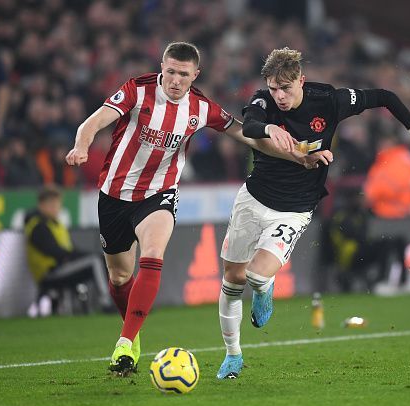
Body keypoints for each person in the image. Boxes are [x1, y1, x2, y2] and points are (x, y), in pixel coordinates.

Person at [65, 42, 321, 376]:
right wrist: (80, 147)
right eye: (170, 71)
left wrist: (297, 156)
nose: (174, 80)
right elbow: (93, 123)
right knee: (119, 277)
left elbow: (246, 136)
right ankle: (133, 331)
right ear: (162, 67)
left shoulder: (200, 107)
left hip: (159, 195)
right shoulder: (136, 91)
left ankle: (125, 344)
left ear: (194, 75)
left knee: (153, 254)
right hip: (113, 195)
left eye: (183, 74)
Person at [217, 47, 410, 379]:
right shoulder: (263, 101)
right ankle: (233, 355)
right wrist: (268, 130)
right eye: (274, 88)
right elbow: (248, 126)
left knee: (257, 276)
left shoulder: (329, 100)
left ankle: (264, 289)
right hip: (252, 199)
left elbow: (385, 96)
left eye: (286, 88)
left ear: (301, 81)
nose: (279, 96)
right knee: (232, 280)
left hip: (295, 207)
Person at [24, 186, 109, 314]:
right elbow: (56, 252)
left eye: (57, 204)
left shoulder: (55, 224)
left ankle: (110, 300)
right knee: (95, 261)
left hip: (61, 267)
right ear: (41, 205)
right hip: (50, 272)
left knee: (98, 259)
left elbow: (70, 250)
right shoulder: (38, 227)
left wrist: (78, 255)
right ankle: (106, 301)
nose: (56, 208)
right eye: (52, 205)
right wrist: (79, 256)